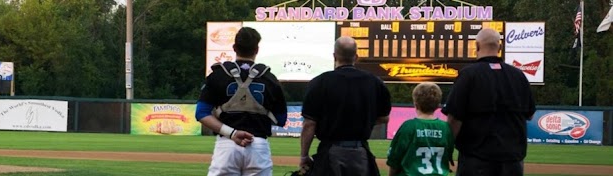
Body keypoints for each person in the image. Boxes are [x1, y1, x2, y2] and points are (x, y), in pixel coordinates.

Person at [194, 27, 288, 176]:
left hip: (227, 145)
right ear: (257, 49)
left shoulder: (218, 75)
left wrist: (232, 133)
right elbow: (281, 120)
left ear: (234, 48)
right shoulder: (270, 79)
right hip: (258, 145)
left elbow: (201, 113)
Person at [442, 28, 535, 176]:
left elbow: (454, 118)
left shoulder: (469, 75)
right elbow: (529, 115)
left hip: (477, 161)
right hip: (512, 161)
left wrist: (447, 149)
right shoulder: (518, 75)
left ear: (477, 46)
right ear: (500, 47)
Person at [299, 37, 391, 176]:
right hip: (361, 152)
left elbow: (309, 124)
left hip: (330, 151)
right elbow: (384, 118)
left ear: (334, 56)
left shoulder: (319, 82)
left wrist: (304, 156)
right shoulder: (375, 82)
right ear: (356, 57)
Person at [387, 83, 453, 176]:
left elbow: (394, 158)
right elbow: (448, 156)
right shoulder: (446, 128)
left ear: (415, 103)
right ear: (438, 105)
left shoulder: (409, 126)